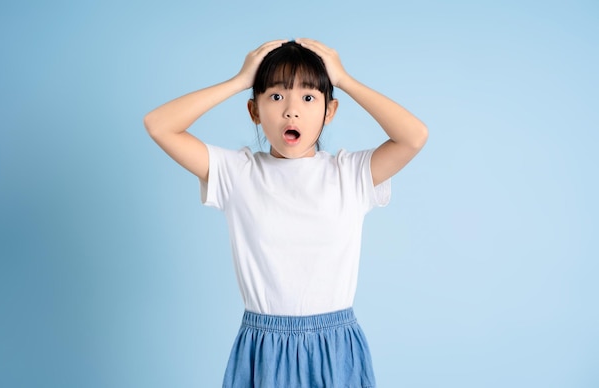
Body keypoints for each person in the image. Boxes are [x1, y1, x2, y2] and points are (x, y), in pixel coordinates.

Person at [144, 38, 428, 388]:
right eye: (276, 96)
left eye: (309, 98)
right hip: (264, 350)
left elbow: (414, 136)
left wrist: (345, 79)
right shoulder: (237, 173)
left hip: (334, 348)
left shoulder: (349, 174)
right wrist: (239, 80)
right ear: (254, 111)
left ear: (330, 111)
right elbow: (159, 124)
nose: (291, 110)